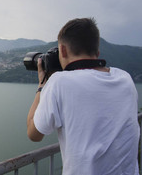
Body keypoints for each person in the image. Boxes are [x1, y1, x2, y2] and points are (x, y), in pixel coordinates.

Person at [26, 18, 140, 175]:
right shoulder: (125, 79)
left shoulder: (59, 82)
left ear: (63, 51)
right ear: (97, 53)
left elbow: (33, 134)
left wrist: (42, 85)